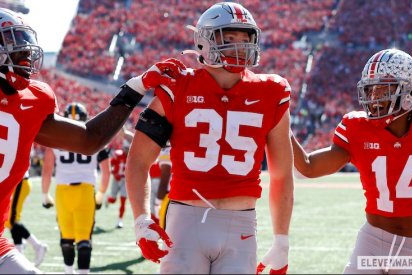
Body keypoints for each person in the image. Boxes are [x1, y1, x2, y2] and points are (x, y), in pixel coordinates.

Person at [0, 7, 181, 274]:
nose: (26, 53)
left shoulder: (32, 100)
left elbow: (88, 140)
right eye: (14, 43)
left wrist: (134, 89)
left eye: (25, 43)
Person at [126, 2, 294, 274]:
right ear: (204, 41)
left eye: (245, 38)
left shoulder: (271, 91)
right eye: (229, 38)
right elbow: (138, 160)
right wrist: (141, 219)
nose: (240, 46)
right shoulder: (178, 85)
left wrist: (282, 239)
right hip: (185, 223)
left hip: (240, 224)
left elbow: (282, 174)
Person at [291, 48, 412, 274]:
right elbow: (308, 167)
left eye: (384, 88)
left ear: (410, 88)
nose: (374, 97)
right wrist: (282, 129)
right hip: (371, 242)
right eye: (371, 89)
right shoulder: (357, 128)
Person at [41, 102, 111, 274]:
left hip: (62, 191)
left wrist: (44, 194)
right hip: (86, 190)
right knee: (84, 240)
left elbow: (47, 170)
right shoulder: (95, 138)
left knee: (66, 239)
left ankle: (68, 271)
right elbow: (106, 172)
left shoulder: (55, 140)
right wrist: (101, 193)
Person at [5, 168, 48, 267]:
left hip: (20, 181)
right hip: (18, 182)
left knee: (12, 220)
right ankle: (20, 254)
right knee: (10, 220)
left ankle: (38, 246)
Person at [107, 147, 129, 229]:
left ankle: (120, 220)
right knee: (112, 200)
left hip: (125, 181)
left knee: (123, 201)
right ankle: (108, 199)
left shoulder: (133, 157)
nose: (127, 150)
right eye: (126, 148)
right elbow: (110, 165)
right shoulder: (118, 155)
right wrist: (114, 173)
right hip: (116, 180)